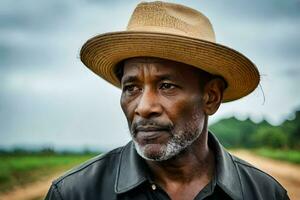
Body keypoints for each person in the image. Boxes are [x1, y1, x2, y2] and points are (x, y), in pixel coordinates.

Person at [45, 1, 289, 200]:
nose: (144, 107)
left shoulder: (265, 193)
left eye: (166, 86)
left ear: (211, 97)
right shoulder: (74, 193)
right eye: (131, 88)